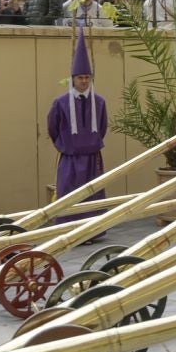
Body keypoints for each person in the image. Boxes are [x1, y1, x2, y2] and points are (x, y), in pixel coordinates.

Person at [47, 24, 109, 224]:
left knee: (93, 196)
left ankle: (93, 231)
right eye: (80, 78)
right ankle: (67, 229)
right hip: (70, 159)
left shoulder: (99, 101)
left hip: (92, 158)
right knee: (68, 194)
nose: (84, 81)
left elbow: (102, 126)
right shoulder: (61, 103)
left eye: (87, 78)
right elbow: (53, 128)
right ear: (73, 79)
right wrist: (66, 144)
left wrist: (91, 142)